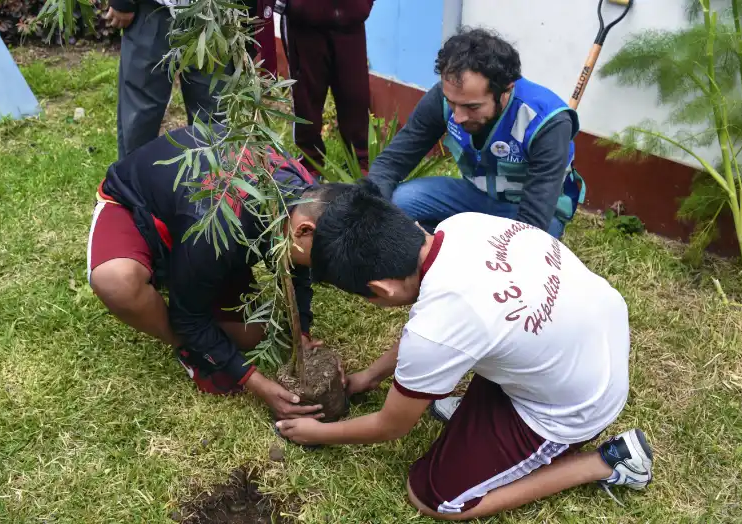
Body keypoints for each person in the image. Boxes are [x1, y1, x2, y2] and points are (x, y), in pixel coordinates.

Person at [275, 185, 653, 519]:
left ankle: (606, 463)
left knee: (434, 498)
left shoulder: (439, 329)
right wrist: (368, 377)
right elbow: (435, 330)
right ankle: (484, 414)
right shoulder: (460, 225)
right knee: (474, 340)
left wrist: (320, 432)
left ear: (383, 289)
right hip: (587, 333)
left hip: (575, 403)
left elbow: (392, 425)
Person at [86, 125, 349, 420]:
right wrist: (255, 382)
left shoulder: (311, 196)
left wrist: (301, 330)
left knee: (251, 336)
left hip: (203, 236)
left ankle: (186, 273)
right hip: (140, 213)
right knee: (118, 282)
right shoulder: (216, 225)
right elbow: (189, 317)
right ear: (302, 230)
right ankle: (188, 351)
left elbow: (296, 272)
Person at [367, 28, 586, 238]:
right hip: (474, 197)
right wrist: (364, 204)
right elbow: (393, 161)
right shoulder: (443, 98)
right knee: (400, 200)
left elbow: (533, 220)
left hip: (532, 212)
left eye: (472, 107)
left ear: (506, 90)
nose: (458, 116)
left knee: (529, 245)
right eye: (452, 103)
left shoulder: (547, 122)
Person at [105, 0, 278, 160]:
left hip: (216, 14)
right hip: (153, 9)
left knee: (215, 120)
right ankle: (130, 187)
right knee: (138, 120)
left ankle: (212, 187)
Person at [280, 0, 374, 174]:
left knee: (355, 97)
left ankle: (360, 165)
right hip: (304, 22)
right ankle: (310, 166)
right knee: (306, 98)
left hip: (351, 18)